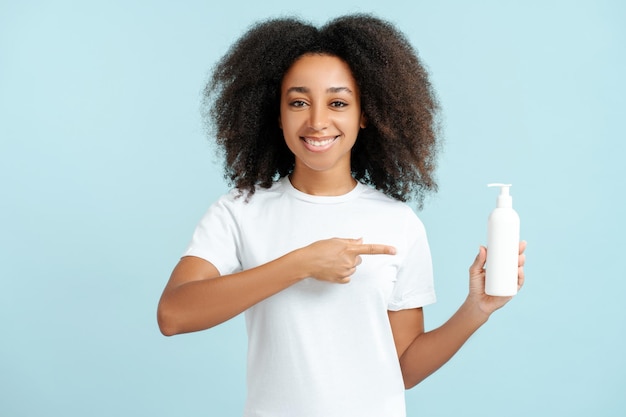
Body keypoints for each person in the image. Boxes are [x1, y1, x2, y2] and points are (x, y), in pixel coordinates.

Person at [157, 13, 526, 417]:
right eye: (298, 102)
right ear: (276, 114)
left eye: (338, 103)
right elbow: (174, 314)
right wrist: (302, 263)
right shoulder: (239, 212)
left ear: (364, 114)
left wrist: (478, 308)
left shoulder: (398, 223)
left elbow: (402, 369)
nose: (317, 121)